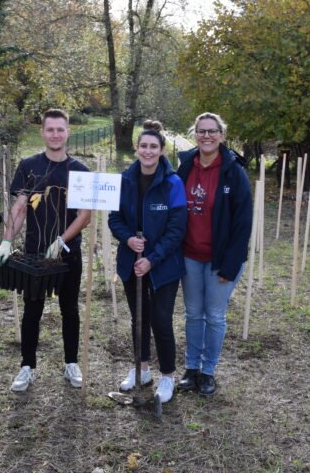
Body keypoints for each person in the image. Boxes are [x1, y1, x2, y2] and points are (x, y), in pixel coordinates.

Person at [0, 108, 91, 392]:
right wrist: (7, 240)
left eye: (61, 129)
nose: (56, 134)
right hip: (34, 253)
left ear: (68, 131)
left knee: (69, 309)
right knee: (32, 309)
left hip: (68, 254)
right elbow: (21, 206)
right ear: (43, 132)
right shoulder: (29, 166)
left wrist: (61, 240)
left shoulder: (80, 171)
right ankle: (27, 366)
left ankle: (71, 362)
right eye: (50, 129)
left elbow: (85, 214)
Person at [108, 121, 187, 404]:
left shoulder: (173, 183)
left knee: (161, 319)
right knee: (138, 318)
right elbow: (114, 219)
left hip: (163, 265)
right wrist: (128, 239)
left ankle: (166, 376)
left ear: (162, 150)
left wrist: (152, 259)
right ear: (136, 149)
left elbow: (177, 229)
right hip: (131, 261)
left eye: (154, 146)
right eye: (143, 146)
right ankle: (141, 369)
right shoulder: (125, 180)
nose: (148, 151)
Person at [176, 112, 252, 396]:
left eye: (212, 131)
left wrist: (229, 266)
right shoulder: (184, 167)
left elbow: (243, 223)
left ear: (221, 135)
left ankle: (208, 372)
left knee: (215, 316)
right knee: (193, 314)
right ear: (195, 134)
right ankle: (191, 368)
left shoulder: (233, 171)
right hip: (190, 255)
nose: (206, 136)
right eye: (201, 131)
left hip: (221, 259)